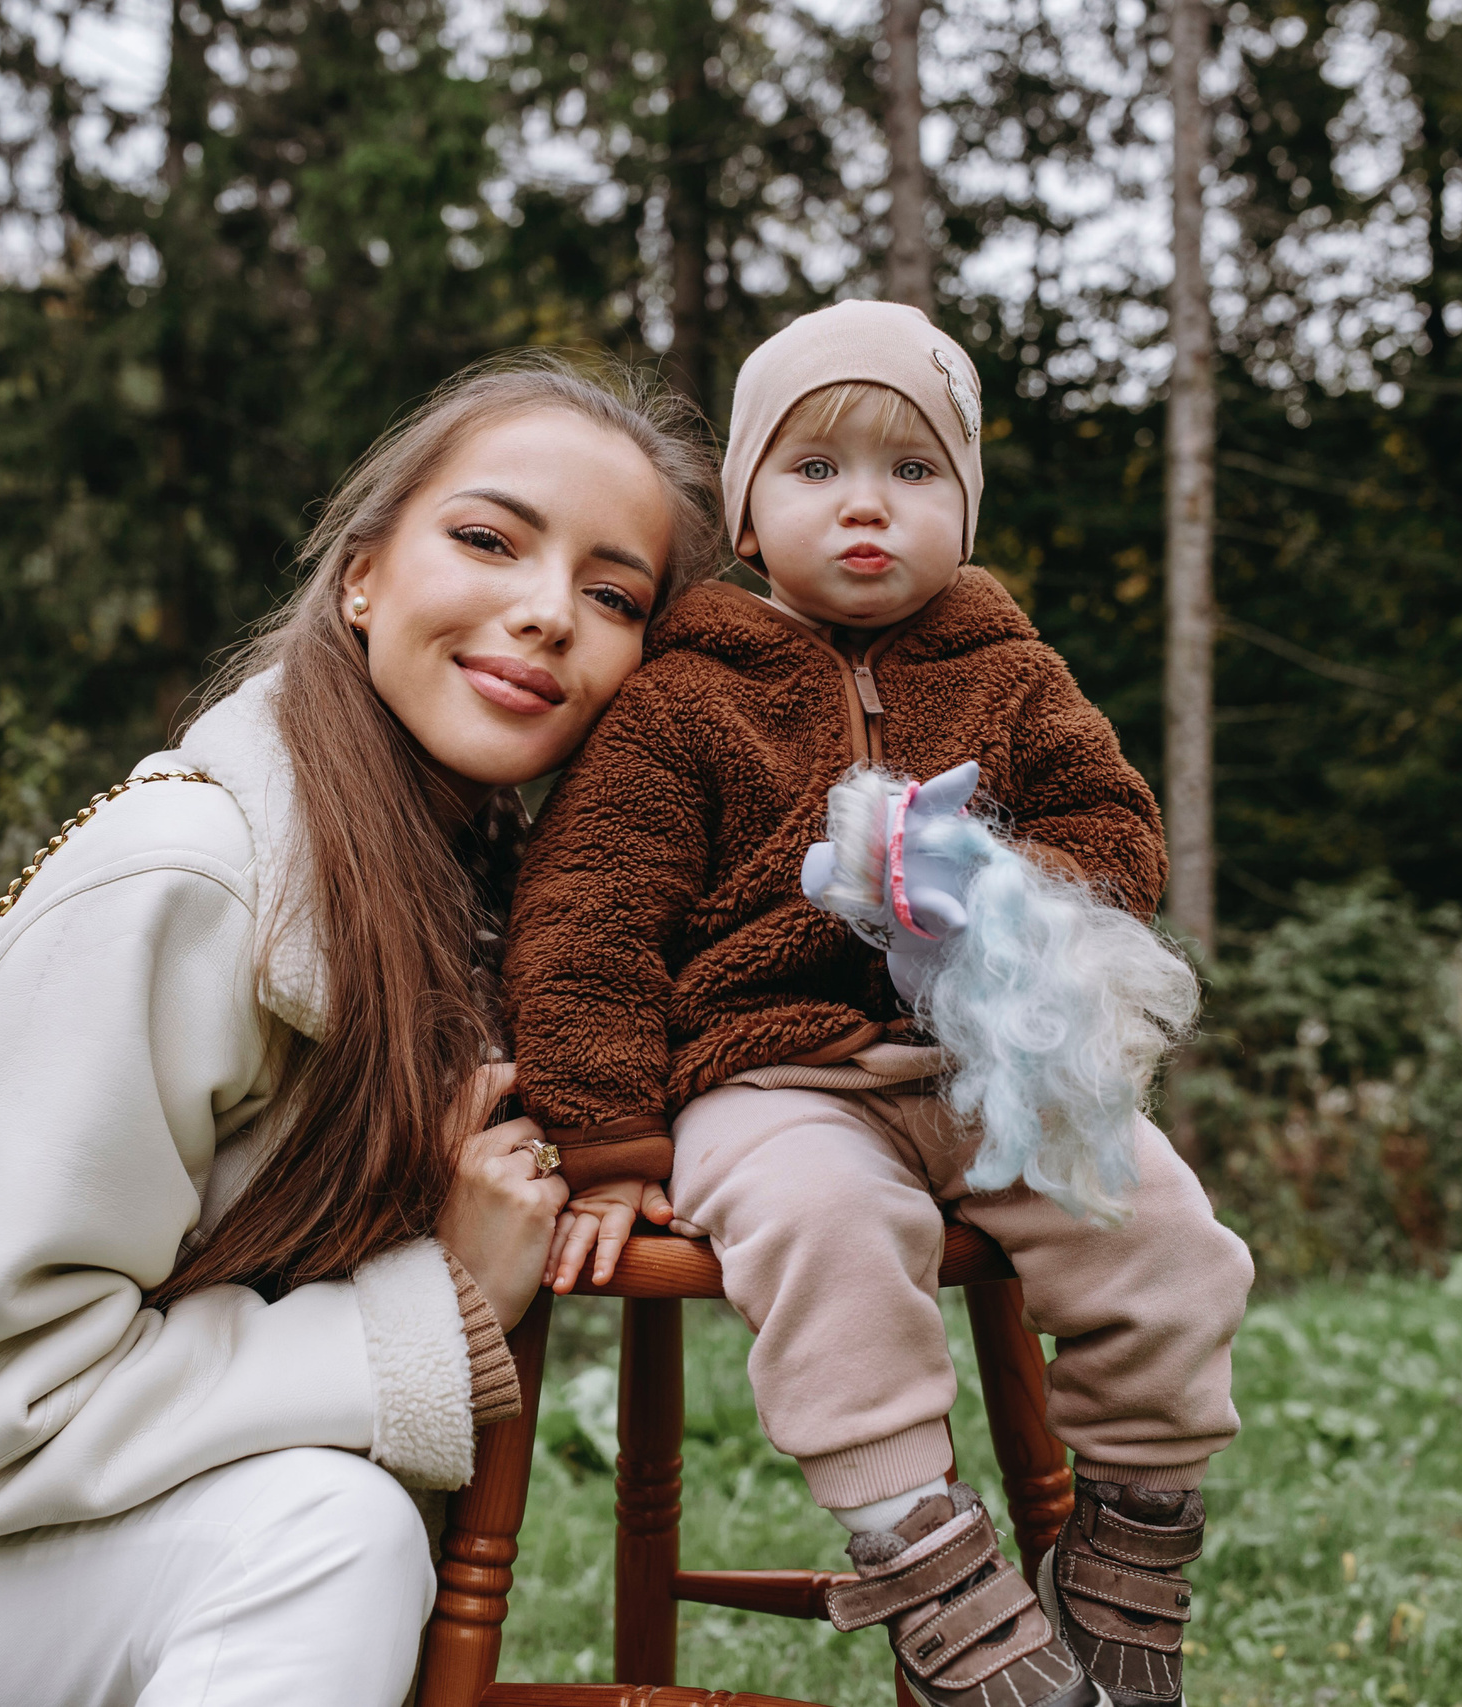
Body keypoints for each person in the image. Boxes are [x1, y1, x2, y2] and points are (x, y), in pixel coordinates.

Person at [0, 354, 725, 1707]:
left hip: (31, 1553)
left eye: (614, 596)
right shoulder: (195, 878)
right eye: (487, 540)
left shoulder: (476, 905)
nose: (547, 615)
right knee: (327, 1539)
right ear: (361, 576)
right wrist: (441, 1308)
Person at [505, 301, 1255, 1707]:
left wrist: (1000, 883)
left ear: (963, 510)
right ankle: (933, 1571)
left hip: (985, 1067)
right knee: (833, 1234)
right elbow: (585, 920)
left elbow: (1121, 836)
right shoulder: (684, 699)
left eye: (915, 472)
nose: (866, 506)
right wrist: (605, 1143)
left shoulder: (1011, 673)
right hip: (770, 1081)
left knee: (1168, 1235)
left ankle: (1126, 1569)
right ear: (744, 506)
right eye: (816, 470)